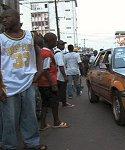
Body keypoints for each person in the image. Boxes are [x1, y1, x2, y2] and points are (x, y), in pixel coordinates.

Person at [0, 9, 47, 150]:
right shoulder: (1, 39)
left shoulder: (29, 36)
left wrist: (38, 71)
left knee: (30, 116)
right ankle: (9, 146)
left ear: (16, 17)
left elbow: (38, 53)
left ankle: (32, 143)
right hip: (8, 86)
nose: (3, 20)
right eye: (1, 18)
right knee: (9, 119)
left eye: (6, 17)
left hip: (28, 83)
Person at [37, 33, 69, 131]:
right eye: (55, 40)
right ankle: (56, 122)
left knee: (45, 104)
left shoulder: (43, 52)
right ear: (50, 41)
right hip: (48, 83)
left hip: (42, 83)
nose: (56, 42)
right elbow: (45, 69)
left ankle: (43, 124)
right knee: (54, 103)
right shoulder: (47, 53)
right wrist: (53, 84)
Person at [54, 40, 74, 107]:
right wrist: (65, 76)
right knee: (62, 90)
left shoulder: (57, 53)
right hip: (60, 76)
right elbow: (61, 66)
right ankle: (64, 103)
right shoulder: (59, 54)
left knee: (60, 90)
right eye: (62, 44)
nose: (63, 46)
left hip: (58, 75)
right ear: (58, 45)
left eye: (63, 44)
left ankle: (62, 102)